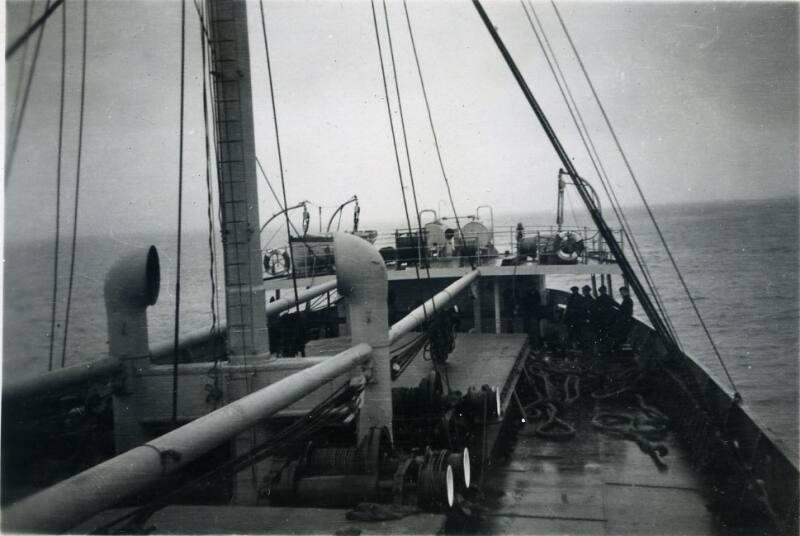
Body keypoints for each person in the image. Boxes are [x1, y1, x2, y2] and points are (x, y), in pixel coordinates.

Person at [592, 285, 618, 356]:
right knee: (608, 334)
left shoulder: (598, 299)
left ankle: (602, 350)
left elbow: (594, 309)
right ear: (605, 290)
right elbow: (616, 305)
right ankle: (609, 349)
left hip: (601, 320)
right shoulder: (609, 298)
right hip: (609, 319)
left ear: (600, 292)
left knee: (601, 335)